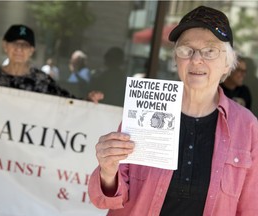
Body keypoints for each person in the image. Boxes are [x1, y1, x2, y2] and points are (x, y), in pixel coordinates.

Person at [88, 5, 258, 216]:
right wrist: (108, 169)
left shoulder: (247, 126)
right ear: (176, 59)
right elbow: (107, 200)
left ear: (227, 64)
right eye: (186, 50)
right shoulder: (146, 108)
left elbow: (250, 208)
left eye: (210, 51)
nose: (196, 59)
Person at [0, 24, 103, 103]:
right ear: (5, 46)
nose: (19, 49)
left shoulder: (42, 80)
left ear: (32, 50)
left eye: (25, 45)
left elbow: (67, 103)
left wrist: (88, 102)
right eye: (14, 43)